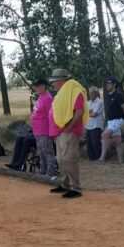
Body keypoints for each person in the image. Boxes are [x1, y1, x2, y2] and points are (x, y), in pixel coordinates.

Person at [49, 69, 87, 199]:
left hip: (69, 131)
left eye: (54, 81)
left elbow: (79, 112)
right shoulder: (61, 93)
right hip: (60, 131)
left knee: (69, 159)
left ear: (61, 81)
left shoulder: (75, 92)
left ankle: (76, 188)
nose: (53, 84)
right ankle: (64, 184)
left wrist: (69, 127)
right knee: (60, 159)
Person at [99, 77, 124, 163]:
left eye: (109, 84)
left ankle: (102, 158)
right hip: (110, 121)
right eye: (106, 84)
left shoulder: (119, 95)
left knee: (104, 135)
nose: (107, 85)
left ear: (114, 85)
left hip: (118, 120)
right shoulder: (108, 96)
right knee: (118, 141)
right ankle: (121, 161)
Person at [30, 79, 57, 177]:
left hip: (44, 130)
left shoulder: (48, 98)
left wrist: (52, 131)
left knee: (47, 152)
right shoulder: (40, 97)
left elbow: (51, 115)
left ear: (43, 86)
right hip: (37, 130)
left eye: (38, 86)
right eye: (35, 86)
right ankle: (43, 171)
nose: (36, 88)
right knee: (41, 152)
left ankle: (50, 173)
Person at [85, 87, 104, 161]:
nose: (90, 95)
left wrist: (88, 113)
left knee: (95, 142)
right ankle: (91, 158)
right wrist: (89, 113)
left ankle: (98, 157)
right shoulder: (88, 102)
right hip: (88, 125)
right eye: (89, 93)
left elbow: (94, 114)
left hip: (96, 125)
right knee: (89, 143)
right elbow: (86, 113)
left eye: (92, 93)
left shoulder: (100, 102)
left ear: (96, 93)